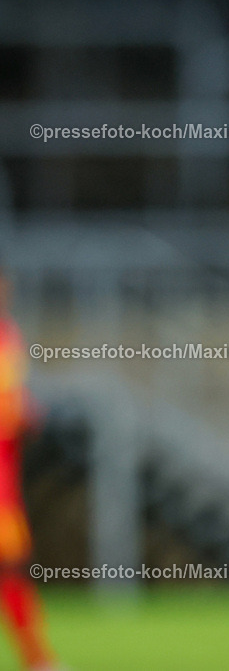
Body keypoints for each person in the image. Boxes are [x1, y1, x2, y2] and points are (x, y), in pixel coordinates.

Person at [0, 262, 59, 671]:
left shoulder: (8, 334)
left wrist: (22, 411)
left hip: (5, 482)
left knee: (12, 570)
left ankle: (37, 659)